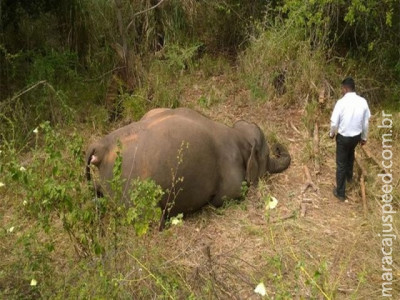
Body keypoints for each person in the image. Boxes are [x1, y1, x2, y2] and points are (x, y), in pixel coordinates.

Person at [330, 77, 371, 201]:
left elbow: (334, 122)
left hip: (343, 137)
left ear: (345, 88)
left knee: (341, 163)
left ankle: (340, 192)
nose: (342, 91)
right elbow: (365, 122)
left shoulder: (341, 102)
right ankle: (349, 178)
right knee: (350, 155)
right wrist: (364, 137)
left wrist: (332, 133)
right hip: (356, 137)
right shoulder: (363, 101)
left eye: (342, 89)